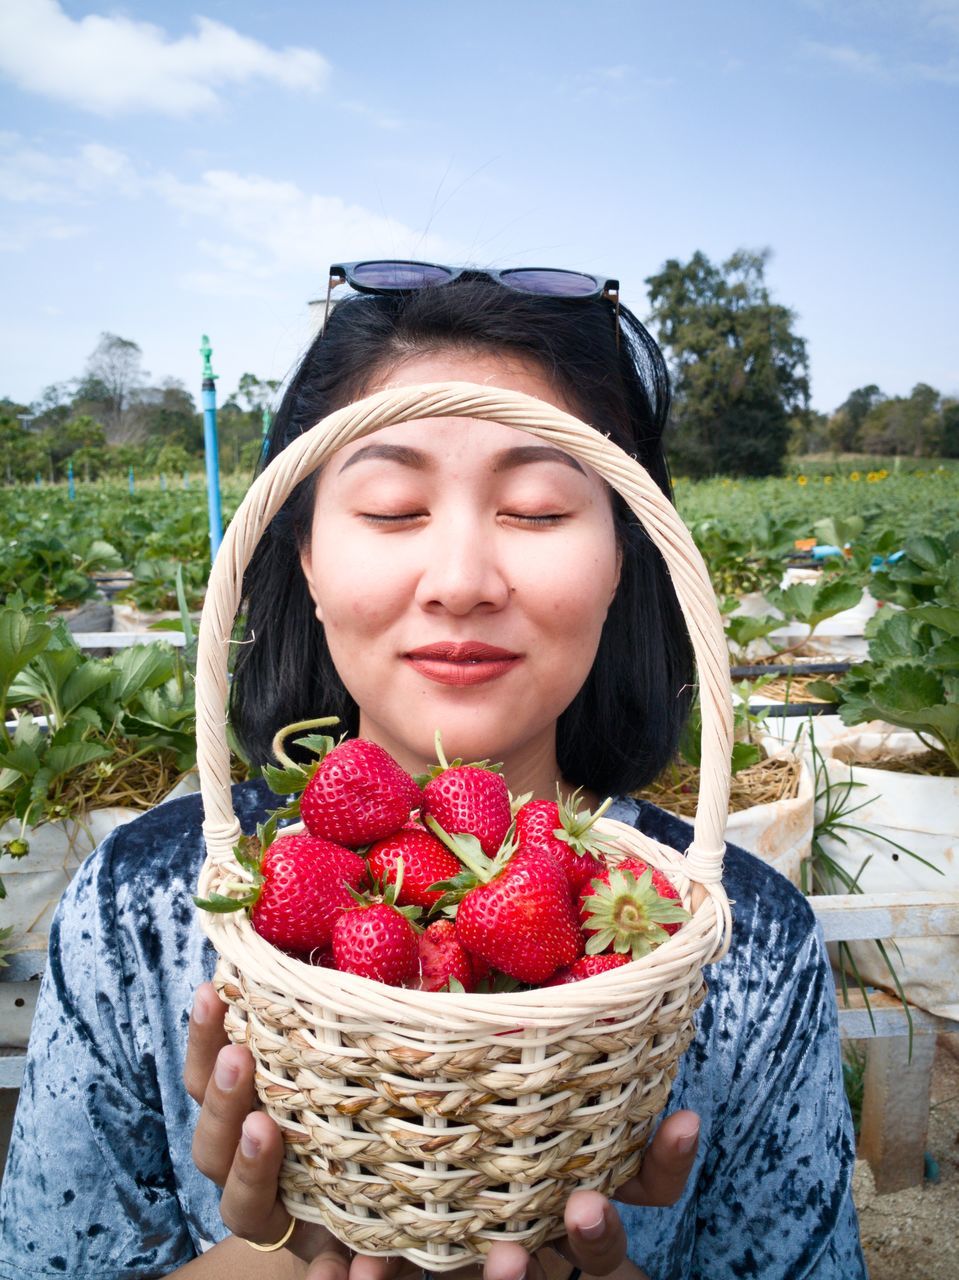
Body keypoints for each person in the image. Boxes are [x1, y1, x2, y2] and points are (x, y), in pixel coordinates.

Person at [0, 263, 866, 1280]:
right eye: (392, 505)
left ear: (625, 554)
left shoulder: (737, 939)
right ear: (308, 555)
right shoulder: (143, 905)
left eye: (539, 509)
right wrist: (285, 1250)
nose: (459, 581)